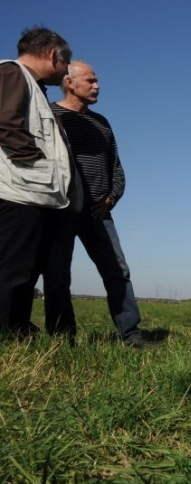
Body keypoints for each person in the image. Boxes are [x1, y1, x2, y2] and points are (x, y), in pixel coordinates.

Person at [43, 60, 151, 346]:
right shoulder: (49, 115)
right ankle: (62, 339)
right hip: (61, 210)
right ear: (70, 83)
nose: (97, 85)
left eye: (96, 80)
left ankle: (130, 334)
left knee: (117, 271)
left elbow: (115, 166)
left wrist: (111, 198)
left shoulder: (101, 122)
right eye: (90, 80)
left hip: (98, 212)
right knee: (56, 274)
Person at [0, 27, 76, 337]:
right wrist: (36, 161)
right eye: (65, 61)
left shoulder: (33, 85)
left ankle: (17, 328)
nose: (66, 69)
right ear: (52, 54)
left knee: (26, 271)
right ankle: (5, 332)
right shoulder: (12, 72)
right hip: (19, 191)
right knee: (13, 271)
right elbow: (5, 121)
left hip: (34, 193)